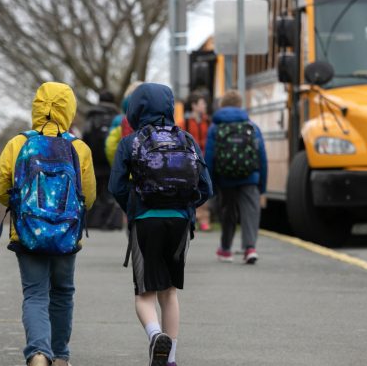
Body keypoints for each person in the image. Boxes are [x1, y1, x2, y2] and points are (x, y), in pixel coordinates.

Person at [0, 82, 96, 366]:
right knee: (62, 293)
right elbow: (89, 195)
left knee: (35, 294)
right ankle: (60, 356)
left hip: (28, 233)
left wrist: (17, 205)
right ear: (69, 110)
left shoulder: (18, 144)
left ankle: (38, 353)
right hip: (66, 235)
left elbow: (0, 186)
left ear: (37, 107)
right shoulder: (79, 148)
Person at [109, 83, 212, 366]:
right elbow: (206, 187)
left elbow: (116, 186)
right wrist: (186, 207)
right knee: (169, 292)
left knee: (145, 293)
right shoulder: (187, 139)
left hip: (145, 221)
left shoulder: (131, 142)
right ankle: (171, 359)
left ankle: (155, 336)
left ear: (136, 108)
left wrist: (133, 208)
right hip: (179, 223)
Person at [204, 90, 267, 264]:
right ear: (240, 105)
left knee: (227, 213)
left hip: (225, 178)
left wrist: (209, 183)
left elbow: (209, 156)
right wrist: (262, 185)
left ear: (222, 105)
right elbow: (262, 156)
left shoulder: (215, 127)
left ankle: (225, 250)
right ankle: (250, 248)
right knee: (250, 213)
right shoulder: (252, 126)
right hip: (250, 177)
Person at [82, 90, 123, 229]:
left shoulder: (91, 117)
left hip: (93, 160)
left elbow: (84, 139)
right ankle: (111, 222)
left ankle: (93, 222)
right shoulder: (117, 118)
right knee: (110, 192)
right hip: (111, 160)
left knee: (95, 190)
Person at [181, 90, 212, 232]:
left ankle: (204, 219)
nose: (204, 106)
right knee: (191, 190)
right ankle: (193, 217)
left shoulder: (209, 122)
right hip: (189, 163)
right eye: (201, 103)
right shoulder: (184, 123)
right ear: (194, 106)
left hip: (205, 162)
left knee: (205, 188)